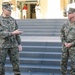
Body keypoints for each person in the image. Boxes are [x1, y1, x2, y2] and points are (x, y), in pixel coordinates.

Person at [0, 3, 22, 75]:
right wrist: (12, 33)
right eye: (8, 10)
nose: (10, 11)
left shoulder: (13, 20)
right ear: (3, 10)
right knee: (1, 64)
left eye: (10, 10)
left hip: (13, 45)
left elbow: (17, 32)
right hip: (3, 46)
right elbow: (1, 33)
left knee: (16, 63)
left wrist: (19, 44)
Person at [60, 6, 75, 75]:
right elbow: (61, 34)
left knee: (74, 64)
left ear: (74, 14)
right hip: (65, 47)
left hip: (73, 47)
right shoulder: (65, 24)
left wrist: (71, 43)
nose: (68, 14)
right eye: (68, 13)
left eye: (70, 13)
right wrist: (64, 42)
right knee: (63, 63)